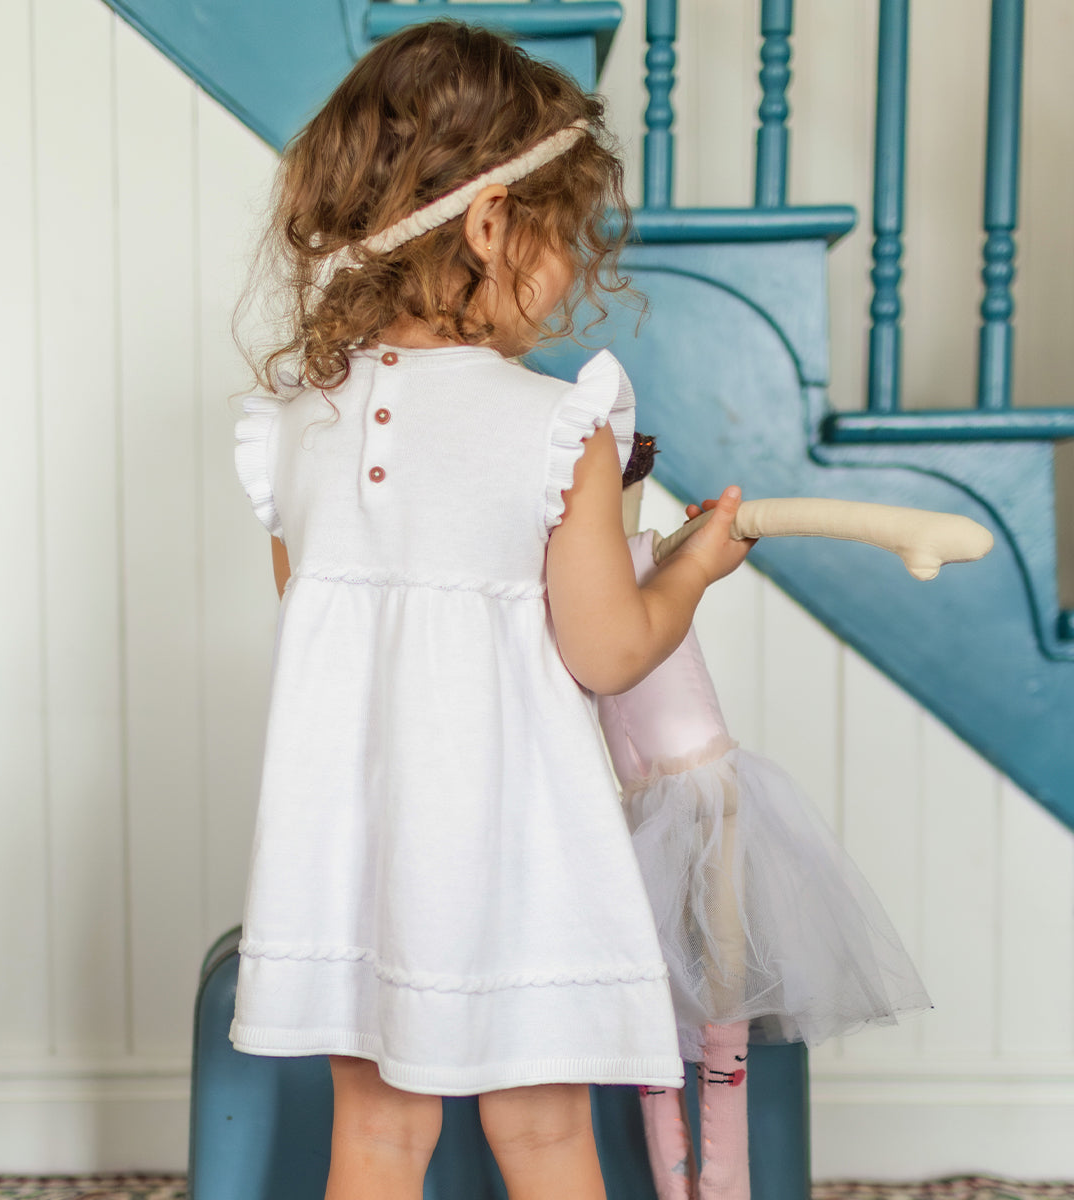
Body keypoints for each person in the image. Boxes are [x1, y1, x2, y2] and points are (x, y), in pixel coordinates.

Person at [229, 21, 755, 1200]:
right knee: (547, 1134)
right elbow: (610, 650)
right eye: (562, 235)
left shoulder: (296, 428)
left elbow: (313, 623)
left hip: (351, 859)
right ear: (489, 222)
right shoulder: (554, 427)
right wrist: (691, 567)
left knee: (371, 1136)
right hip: (516, 853)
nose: (568, 270)